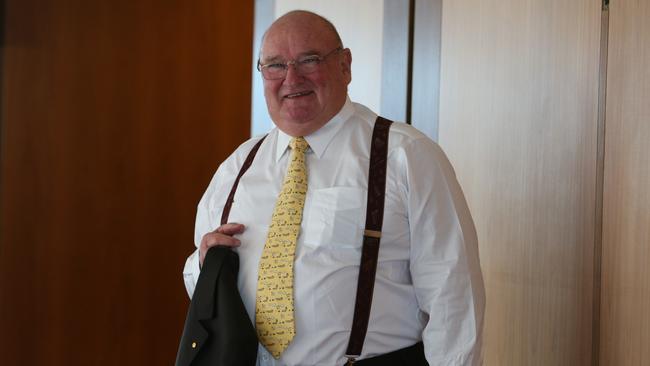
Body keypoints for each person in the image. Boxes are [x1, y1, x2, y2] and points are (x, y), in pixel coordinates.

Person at [183, 10, 485, 366]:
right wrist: (205, 262)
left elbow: (453, 298)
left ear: (345, 65)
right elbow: (196, 277)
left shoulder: (405, 156)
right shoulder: (239, 165)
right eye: (275, 65)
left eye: (309, 60)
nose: (291, 78)